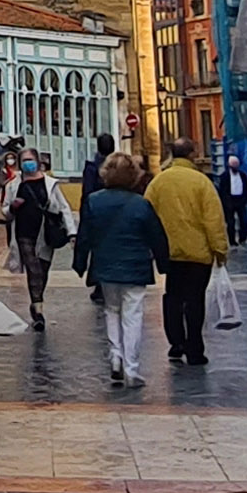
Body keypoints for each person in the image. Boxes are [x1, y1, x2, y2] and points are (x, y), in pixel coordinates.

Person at [73, 148, 167, 388]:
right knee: (133, 315)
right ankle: (132, 367)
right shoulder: (141, 204)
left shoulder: (94, 201)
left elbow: (85, 235)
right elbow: (156, 236)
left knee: (112, 310)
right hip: (135, 266)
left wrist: (80, 262)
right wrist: (163, 262)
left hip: (105, 264)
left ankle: (116, 356)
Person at [148, 149, 231, 368]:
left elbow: (147, 213)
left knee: (173, 296)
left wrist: (151, 247)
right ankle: (195, 349)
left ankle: (176, 343)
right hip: (198, 253)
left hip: (170, 251)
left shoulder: (159, 182)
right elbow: (213, 219)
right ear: (192, 155)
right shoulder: (202, 182)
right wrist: (220, 250)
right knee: (195, 300)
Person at [3, 153, 71, 329]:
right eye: (24, 161)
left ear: (37, 162)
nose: (28, 164)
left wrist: (72, 232)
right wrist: (12, 207)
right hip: (23, 233)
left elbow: (64, 208)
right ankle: (39, 311)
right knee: (33, 270)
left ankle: (36, 303)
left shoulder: (50, 184)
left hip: (45, 234)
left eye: (30, 160)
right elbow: (5, 211)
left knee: (42, 270)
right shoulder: (13, 185)